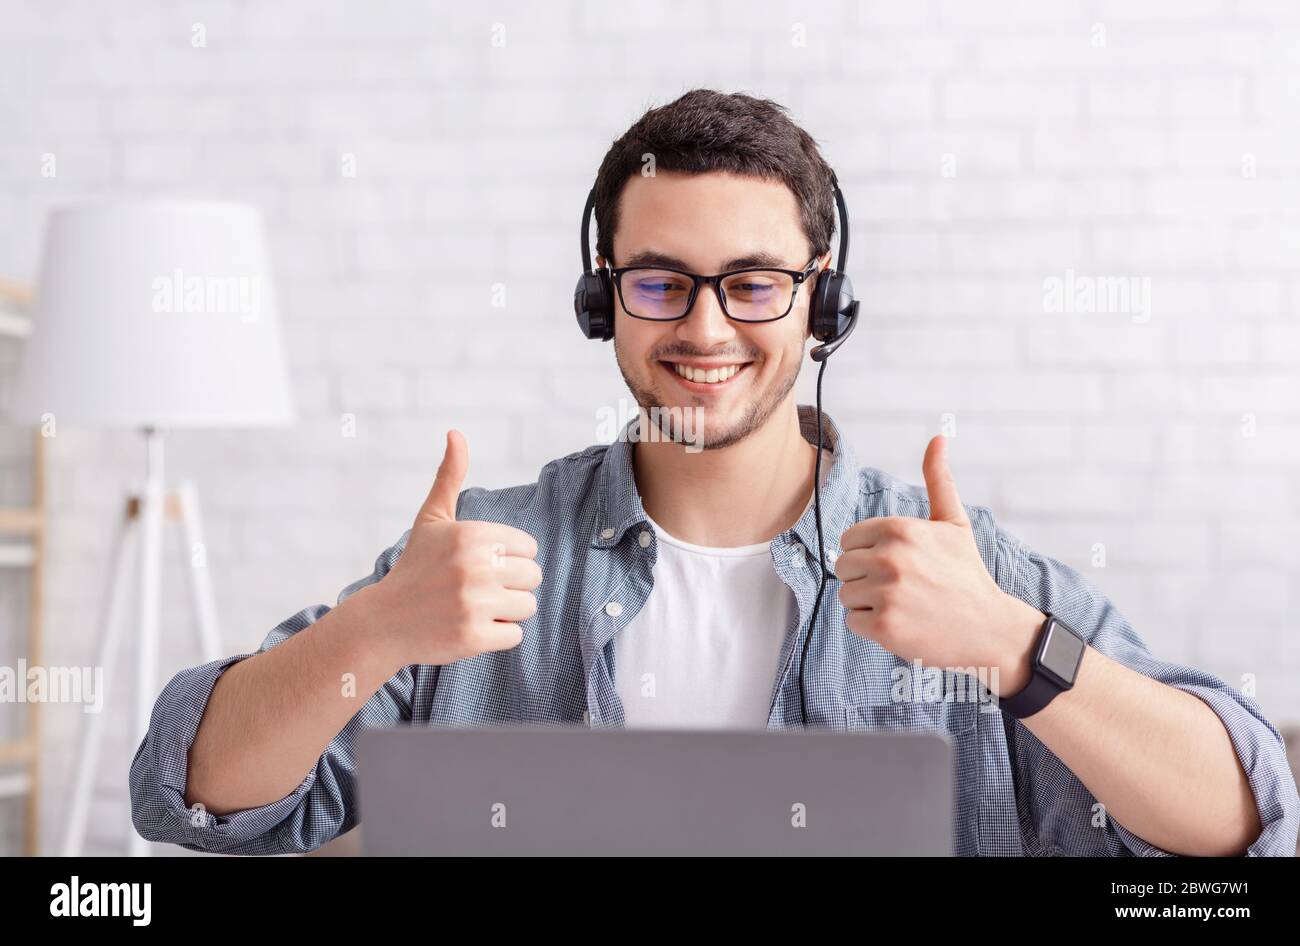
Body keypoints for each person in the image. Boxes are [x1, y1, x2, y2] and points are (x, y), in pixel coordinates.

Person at [130, 89, 1299, 856]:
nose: (705, 329)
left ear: (821, 296)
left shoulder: (963, 570)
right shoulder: (479, 560)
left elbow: (1243, 816)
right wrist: (373, 629)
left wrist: (1010, 646)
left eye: (752, 282)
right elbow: (199, 790)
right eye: (659, 281)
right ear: (602, 296)